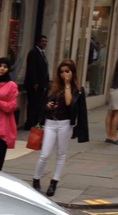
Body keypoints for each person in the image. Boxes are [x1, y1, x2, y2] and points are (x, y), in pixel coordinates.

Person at [32, 59, 88, 197]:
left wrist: (68, 84)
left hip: (65, 124)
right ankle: (36, 179)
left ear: (72, 72)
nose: (64, 74)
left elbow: (69, 103)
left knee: (61, 154)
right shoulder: (52, 86)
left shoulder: (78, 90)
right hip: (51, 122)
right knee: (44, 154)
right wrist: (48, 106)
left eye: (67, 71)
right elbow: (43, 104)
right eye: (62, 72)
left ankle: (54, 182)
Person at [24, 35, 50, 130]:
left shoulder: (42, 54)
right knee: (33, 104)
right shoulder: (33, 53)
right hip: (34, 85)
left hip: (42, 85)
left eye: (46, 41)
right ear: (38, 42)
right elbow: (32, 69)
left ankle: (36, 122)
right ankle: (30, 123)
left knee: (39, 104)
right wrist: (35, 83)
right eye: (43, 41)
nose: (44, 43)